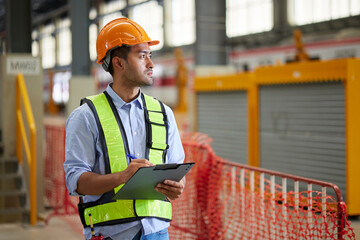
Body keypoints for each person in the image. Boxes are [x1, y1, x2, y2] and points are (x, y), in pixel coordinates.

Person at [64, 18, 185, 240]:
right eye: (142, 56)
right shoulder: (86, 117)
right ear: (118, 63)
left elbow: (177, 169)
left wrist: (176, 186)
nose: (151, 64)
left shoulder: (164, 113)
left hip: (158, 233)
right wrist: (122, 176)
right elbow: (76, 181)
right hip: (112, 233)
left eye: (150, 55)